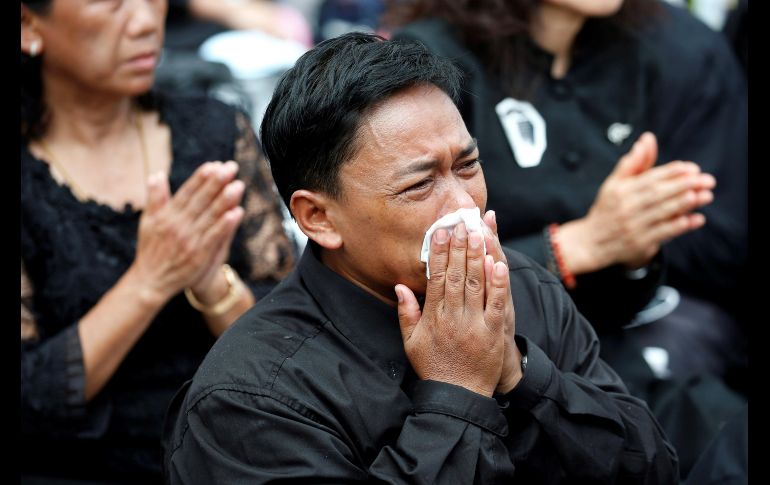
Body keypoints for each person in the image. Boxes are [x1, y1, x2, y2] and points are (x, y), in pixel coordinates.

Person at [163, 32, 678, 483]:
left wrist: (519, 374)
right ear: (318, 218)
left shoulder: (521, 287)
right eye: (419, 184)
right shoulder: (251, 397)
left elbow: (650, 468)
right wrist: (457, 386)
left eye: (468, 165)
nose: (462, 205)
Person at [20, 0, 294, 482]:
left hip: (229, 453)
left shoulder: (214, 132)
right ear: (28, 24)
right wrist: (148, 281)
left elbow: (292, 344)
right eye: (111, 5)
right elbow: (30, 396)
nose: (146, 22)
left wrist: (213, 284)